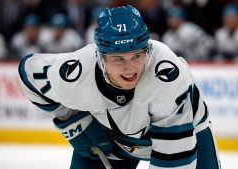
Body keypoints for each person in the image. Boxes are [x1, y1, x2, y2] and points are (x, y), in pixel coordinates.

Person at [18, 5, 221, 169]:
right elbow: (29, 73)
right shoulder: (77, 73)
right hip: (111, 143)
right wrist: (74, 122)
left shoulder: (167, 76)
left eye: (136, 55)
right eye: (118, 58)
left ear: (148, 50)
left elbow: (173, 160)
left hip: (187, 136)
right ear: (100, 57)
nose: (130, 68)